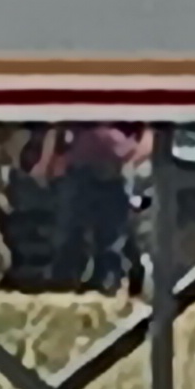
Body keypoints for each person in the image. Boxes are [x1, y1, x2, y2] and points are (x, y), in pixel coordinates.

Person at [52, 121, 141, 294]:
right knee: (71, 233)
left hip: (114, 171)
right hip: (82, 166)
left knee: (111, 238)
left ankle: (108, 283)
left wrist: (128, 151)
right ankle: (65, 283)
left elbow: (144, 133)